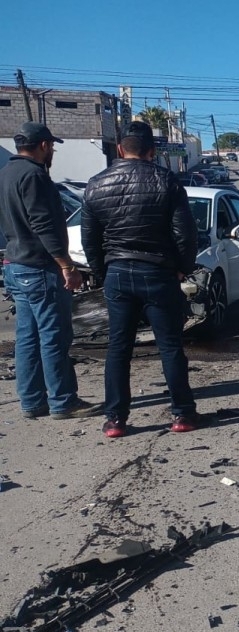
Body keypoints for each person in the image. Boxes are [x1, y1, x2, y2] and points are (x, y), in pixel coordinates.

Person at [82, 121, 201, 438]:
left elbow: (89, 240)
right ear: (152, 151)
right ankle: (182, 415)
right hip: (158, 272)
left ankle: (116, 420)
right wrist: (183, 267)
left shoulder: (96, 184)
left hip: (117, 273)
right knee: (170, 346)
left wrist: (103, 273)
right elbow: (185, 234)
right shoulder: (166, 181)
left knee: (118, 349)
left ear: (120, 149)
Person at [0, 122, 100, 420]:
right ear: (43, 145)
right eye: (51, 146)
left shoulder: (6, 174)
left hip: (15, 264)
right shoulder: (34, 176)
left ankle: (31, 401)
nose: (52, 151)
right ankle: (63, 401)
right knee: (54, 336)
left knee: (27, 338)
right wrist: (67, 265)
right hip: (40, 267)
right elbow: (43, 224)